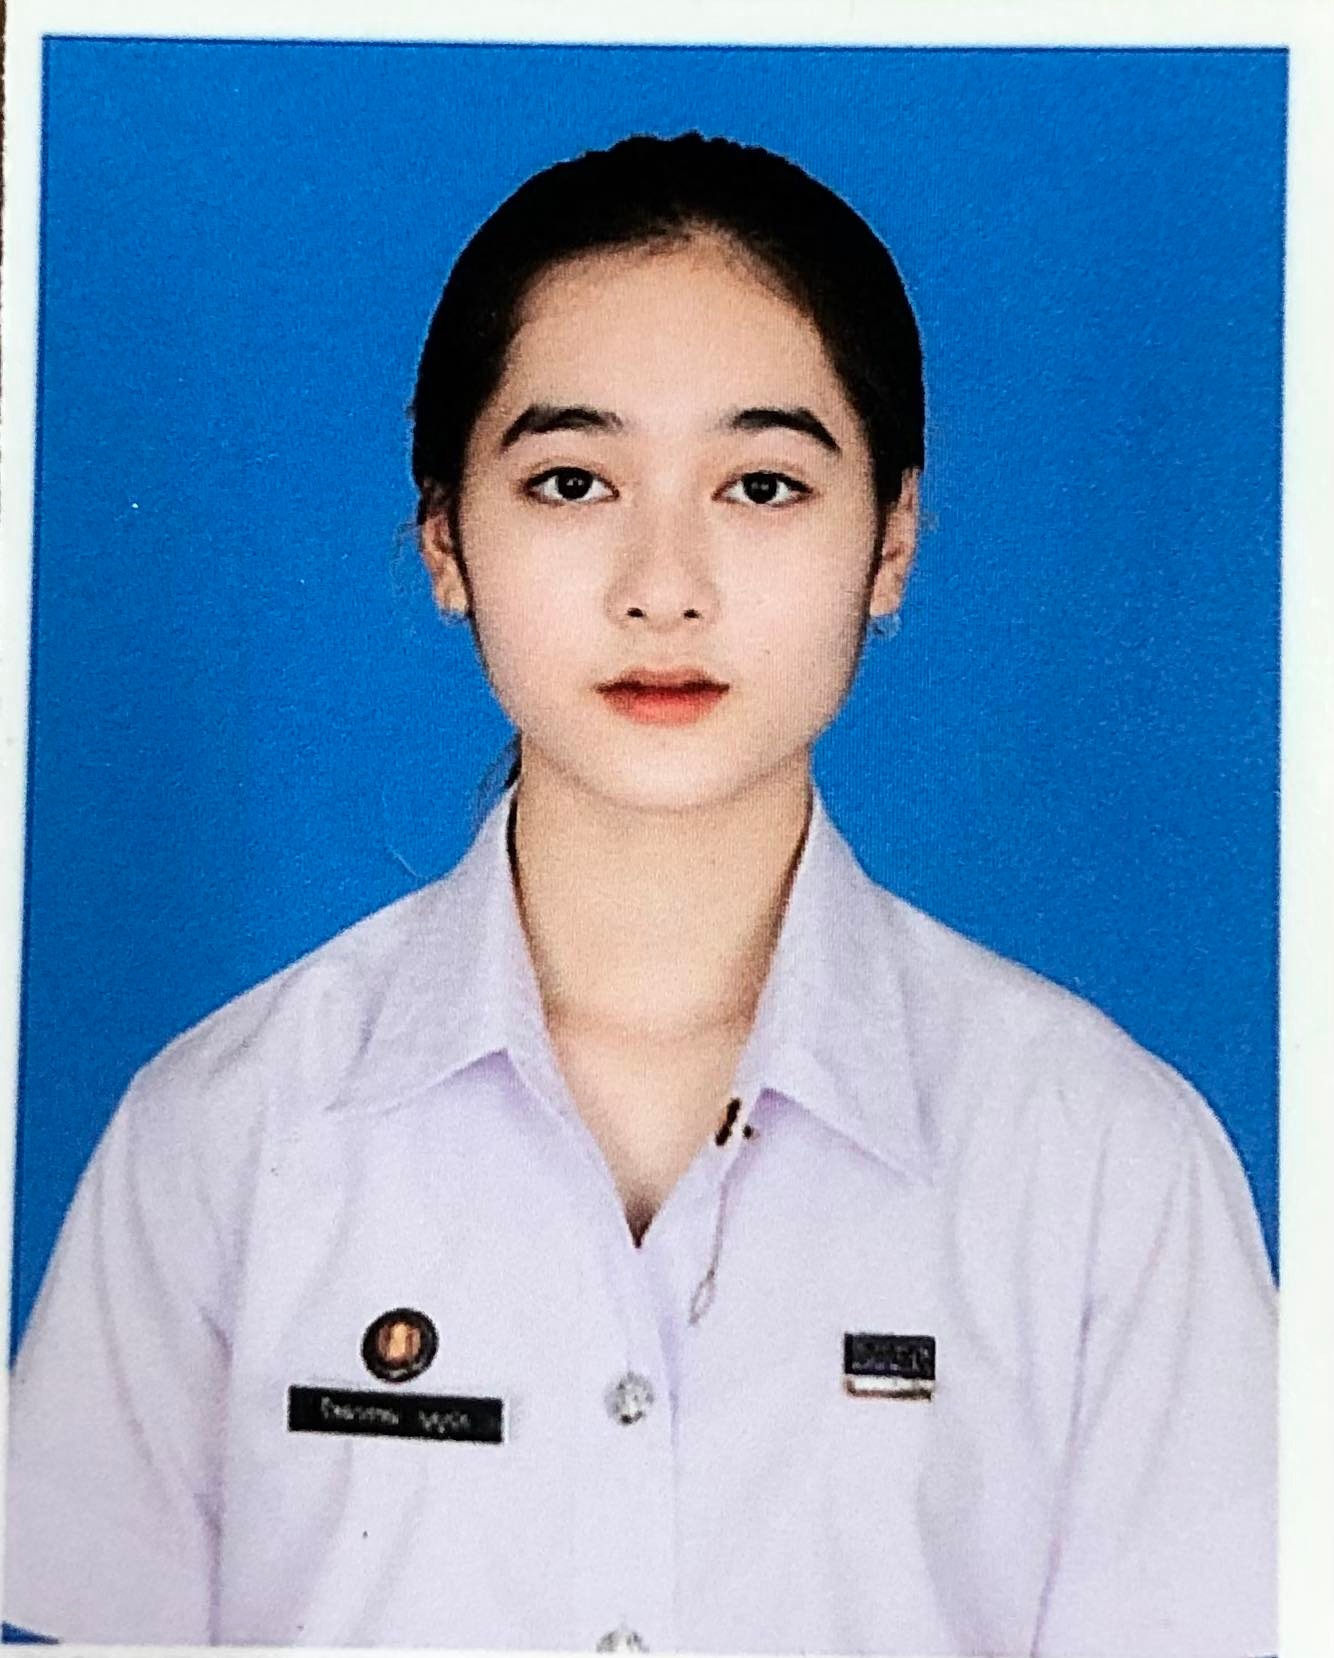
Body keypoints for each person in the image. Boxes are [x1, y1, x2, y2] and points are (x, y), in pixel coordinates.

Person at [3, 133, 1275, 1654]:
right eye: (571, 480)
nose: (662, 585)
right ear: (444, 539)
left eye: (761, 484)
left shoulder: (1107, 1164)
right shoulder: (218, 1135)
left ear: (891, 542)